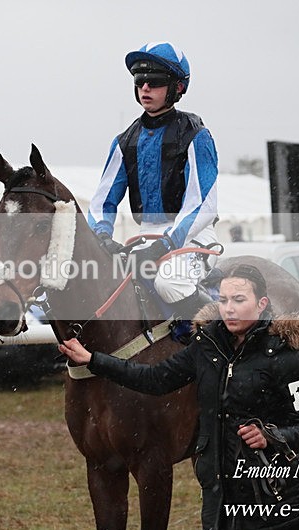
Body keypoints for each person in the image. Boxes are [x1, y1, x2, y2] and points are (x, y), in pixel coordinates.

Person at [59, 263, 299, 530]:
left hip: (274, 496)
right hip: (220, 497)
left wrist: (271, 436)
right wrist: (94, 360)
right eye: (224, 300)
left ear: (262, 303)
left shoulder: (288, 359)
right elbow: (153, 379)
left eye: (239, 300)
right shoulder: (205, 348)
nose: (229, 308)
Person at [86, 42, 219, 333]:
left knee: (169, 282)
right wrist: (103, 237)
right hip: (146, 232)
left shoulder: (197, 135)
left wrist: (167, 244)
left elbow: (202, 205)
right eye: (139, 81)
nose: (145, 87)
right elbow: (101, 203)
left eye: (155, 82)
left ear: (178, 87)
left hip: (192, 234)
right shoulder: (124, 140)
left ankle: (219, 344)